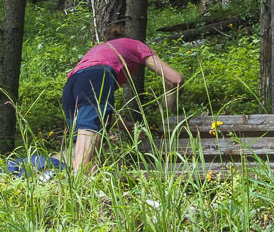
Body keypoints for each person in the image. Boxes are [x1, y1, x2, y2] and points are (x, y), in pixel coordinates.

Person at [62, 24, 184, 172]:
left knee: (90, 142)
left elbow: (102, 115)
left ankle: (88, 188)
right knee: (89, 134)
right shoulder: (137, 45)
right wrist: (169, 110)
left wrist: (127, 126)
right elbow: (176, 79)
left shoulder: (99, 50)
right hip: (96, 77)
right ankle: (79, 188)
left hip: (70, 84)